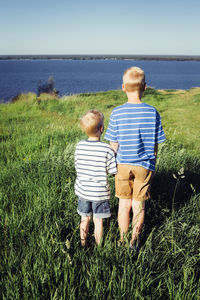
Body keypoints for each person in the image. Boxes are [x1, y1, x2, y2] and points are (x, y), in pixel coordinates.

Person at [104, 66, 166, 250]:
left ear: (123, 87)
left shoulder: (117, 112)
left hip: (122, 164)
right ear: (145, 87)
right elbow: (156, 144)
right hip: (144, 165)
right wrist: (152, 164)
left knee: (124, 204)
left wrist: (110, 164)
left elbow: (113, 145)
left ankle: (122, 239)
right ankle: (135, 240)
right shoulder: (152, 112)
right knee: (139, 205)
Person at [75, 109, 117, 246]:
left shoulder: (79, 146)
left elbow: (77, 166)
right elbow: (112, 171)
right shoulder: (107, 149)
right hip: (99, 193)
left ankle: (82, 243)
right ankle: (99, 247)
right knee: (98, 221)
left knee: (84, 219)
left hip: (83, 191)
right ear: (102, 128)